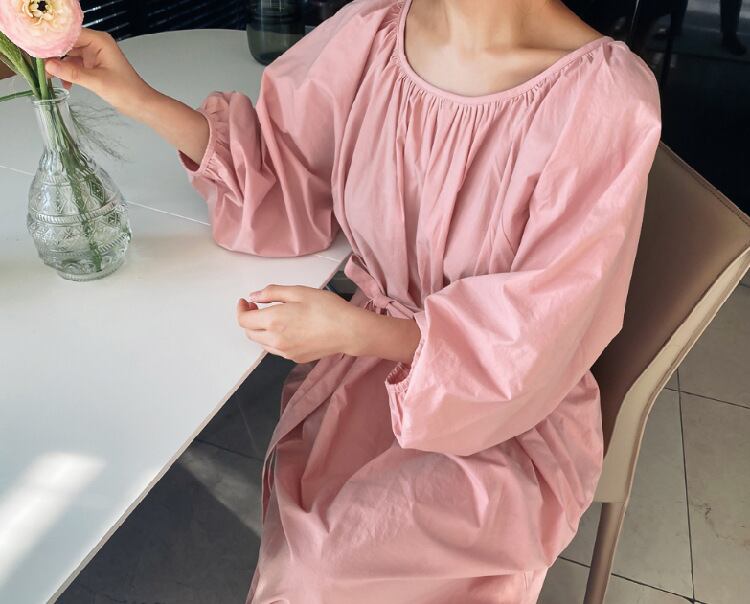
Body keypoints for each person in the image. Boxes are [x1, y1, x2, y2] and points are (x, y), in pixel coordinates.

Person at [45, 0, 662, 601]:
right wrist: (139, 98)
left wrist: (352, 333)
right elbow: (279, 167)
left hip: (503, 416)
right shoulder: (374, 32)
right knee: (313, 556)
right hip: (365, 376)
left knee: (319, 569)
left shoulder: (604, 99)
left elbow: (538, 335)